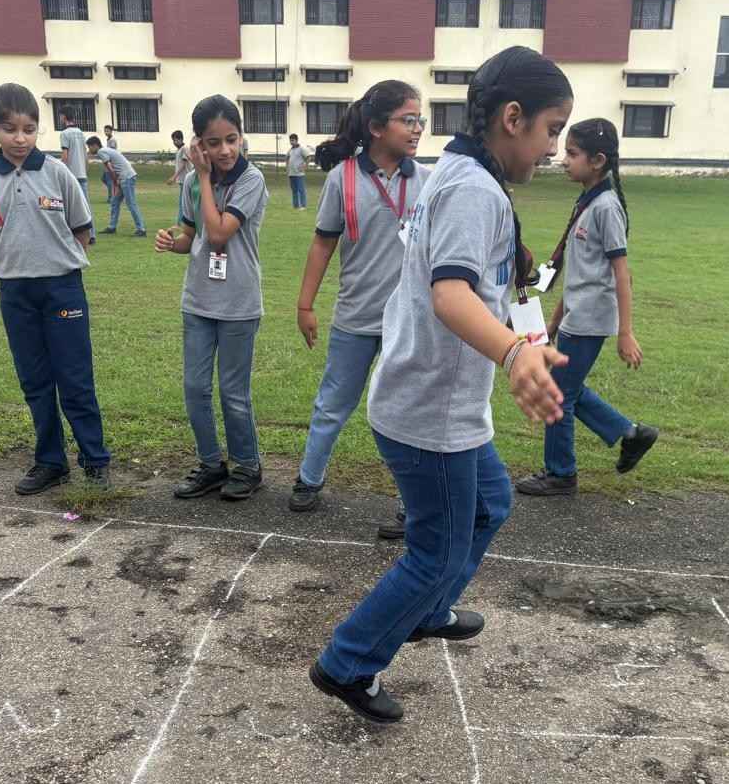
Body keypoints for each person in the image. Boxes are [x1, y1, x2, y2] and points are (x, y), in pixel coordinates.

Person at [311, 46, 574, 724]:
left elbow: (470, 284)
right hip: (431, 410)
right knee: (435, 552)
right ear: (512, 118)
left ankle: (428, 608)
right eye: (551, 129)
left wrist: (518, 333)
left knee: (490, 503)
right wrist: (515, 353)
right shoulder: (470, 188)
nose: (553, 147)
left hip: (438, 400)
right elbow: (450, 294)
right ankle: (348, 662)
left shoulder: (457, 171)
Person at [289, 80, 429, 542]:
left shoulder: (427, 180)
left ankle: (412, 505)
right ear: (376, 127)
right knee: (333, 404)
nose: (417, 128)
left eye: (420, 120)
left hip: (408, 322)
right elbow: (322, 243)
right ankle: (309, 479)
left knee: (406, 413)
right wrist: (305, 304)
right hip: (355, 318)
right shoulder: (342, 178)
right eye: (408, 120)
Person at [0, 83, 111, 495]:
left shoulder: (57, 173)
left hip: (62, 288)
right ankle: (50, 461)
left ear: (38, 129)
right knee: (34, 380)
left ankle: (95, 461)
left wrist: (56, 264)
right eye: (10, 129)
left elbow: (81, 230)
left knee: (75, 378)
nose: (20, 139)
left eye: (29, 130)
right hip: (15, 292)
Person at [517, 119, 658, 496]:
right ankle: (631, 434)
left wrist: (626, 332)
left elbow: (621, 274)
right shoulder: (587, 202)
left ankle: (560, 474)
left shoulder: (606, 208)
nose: (564, 160)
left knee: (558, 393)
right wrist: (553, 322)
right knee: (568, 387)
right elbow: (578, 274)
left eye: (573, 153)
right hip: (576, 316)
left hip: (591, 319)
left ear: (597, 161)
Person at [154, 96, 270, 502]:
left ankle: (248, 466)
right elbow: (194, 236)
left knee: (233, 393)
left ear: (241, 137)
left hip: (239, 302)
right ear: (198, 143)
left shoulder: (251, 180)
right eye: (213, 142)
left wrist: (203, 177)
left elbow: (220, 233)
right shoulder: (191, 182)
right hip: (199, 300)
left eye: (231, 139)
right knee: (194, 388)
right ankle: (210, 464)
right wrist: (172, 242)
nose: (224, 150)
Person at [87, 135, 146, 236]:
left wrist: (115, 181)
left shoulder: (101, 152)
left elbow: (109, 168)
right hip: (125, 177)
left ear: (95, 145)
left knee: (131, 203)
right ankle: (112, 227)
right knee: (115, 202)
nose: (89, 149)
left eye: (90, 147)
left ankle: (141, 229)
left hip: (126, 177)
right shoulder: (106, 150)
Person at [59, 109, 94, 243]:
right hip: (82, 174)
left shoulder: (64, 133)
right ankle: (91, 235)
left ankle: (69, 234)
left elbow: (65, 155)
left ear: (63, 117)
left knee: (67, 206)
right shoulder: (80, 133)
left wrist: (61, 170)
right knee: (85, 206)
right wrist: (85, 170)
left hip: (71, 175)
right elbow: (85, 155)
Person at [285, 133, 312, 210]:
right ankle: (295, 206)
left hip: (299, 174)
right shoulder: (290, 150)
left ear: (296, 140)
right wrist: (287, 168)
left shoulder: (301, 149)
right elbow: (287, 158)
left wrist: (305, 166)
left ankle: (303, 206)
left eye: (293, 140)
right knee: (294, 190)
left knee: (301, 190)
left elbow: (309, 157)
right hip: (291, 174)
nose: (291, 142)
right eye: (290, 140)